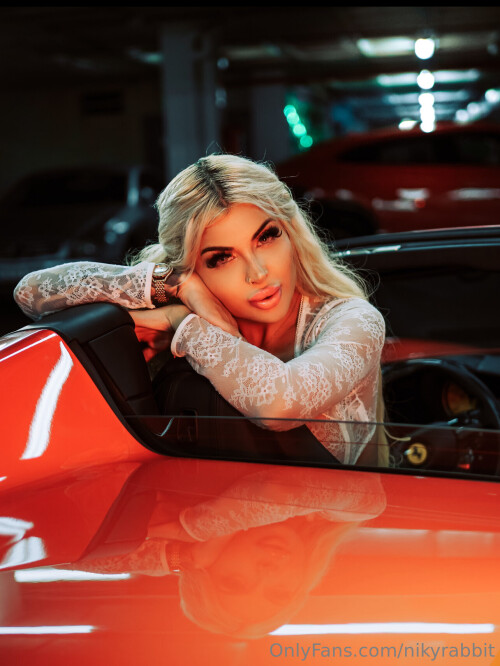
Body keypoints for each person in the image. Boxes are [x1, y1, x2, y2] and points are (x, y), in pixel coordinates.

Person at [13, 154, 387, 466]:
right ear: (194, 268)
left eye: (266, 237)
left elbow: (279, 404)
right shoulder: (184, 288)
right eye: (221, 258)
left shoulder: (354, 320)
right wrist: (173, 284)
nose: (258, 273)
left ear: (290, 232)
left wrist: (184, 326)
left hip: (346, 532)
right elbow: (30, 292)